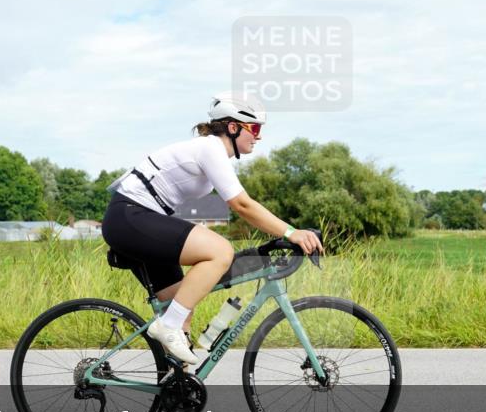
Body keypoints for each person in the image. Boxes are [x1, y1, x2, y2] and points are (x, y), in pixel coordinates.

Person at [101, 92, 324, 365]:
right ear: (233, 127)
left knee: (182, 305)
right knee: (220, 251)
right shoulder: (210, 149)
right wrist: (291, 232)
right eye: (254, 128)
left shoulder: (212, 153)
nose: (259, 136)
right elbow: (242, 205)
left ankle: (178, 387)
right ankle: (167, 327)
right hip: (130, 216)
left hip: (139, 218)